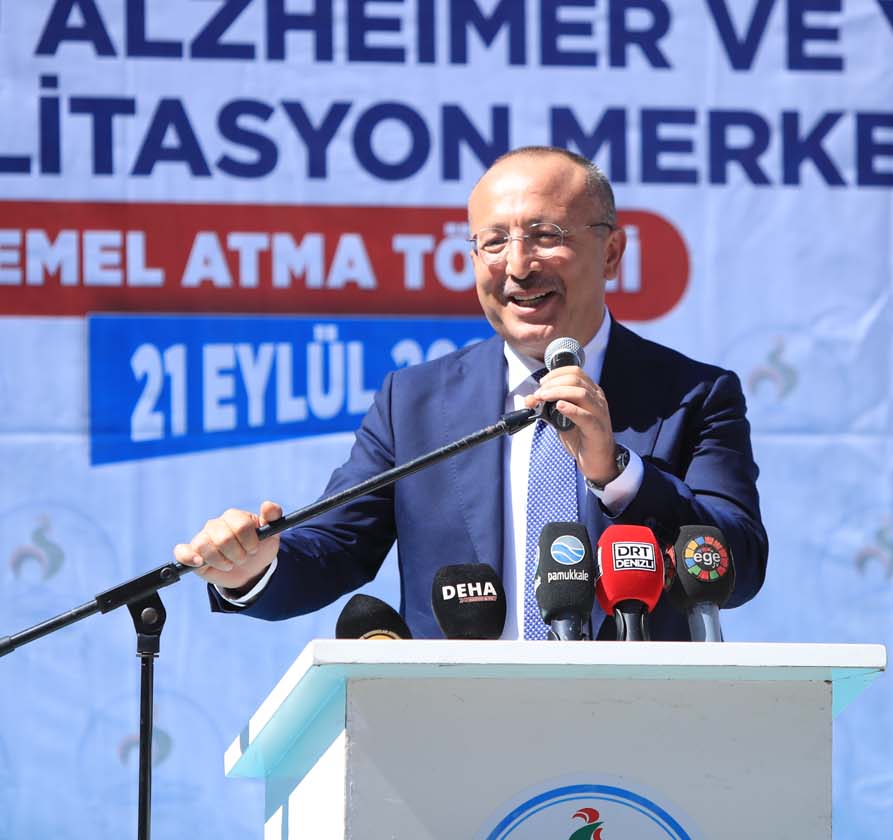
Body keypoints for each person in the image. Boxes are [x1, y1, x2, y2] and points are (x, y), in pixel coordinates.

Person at [173, 146, 765, 640]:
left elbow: (738, 562)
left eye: (545, 235)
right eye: (494, 242)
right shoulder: (414, 402)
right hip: (457, 722)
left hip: (640, 721)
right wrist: (255, 568)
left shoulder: (693, 394)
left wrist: (617, 473)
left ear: (611, 253)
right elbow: (336, 548)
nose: (519, 266)